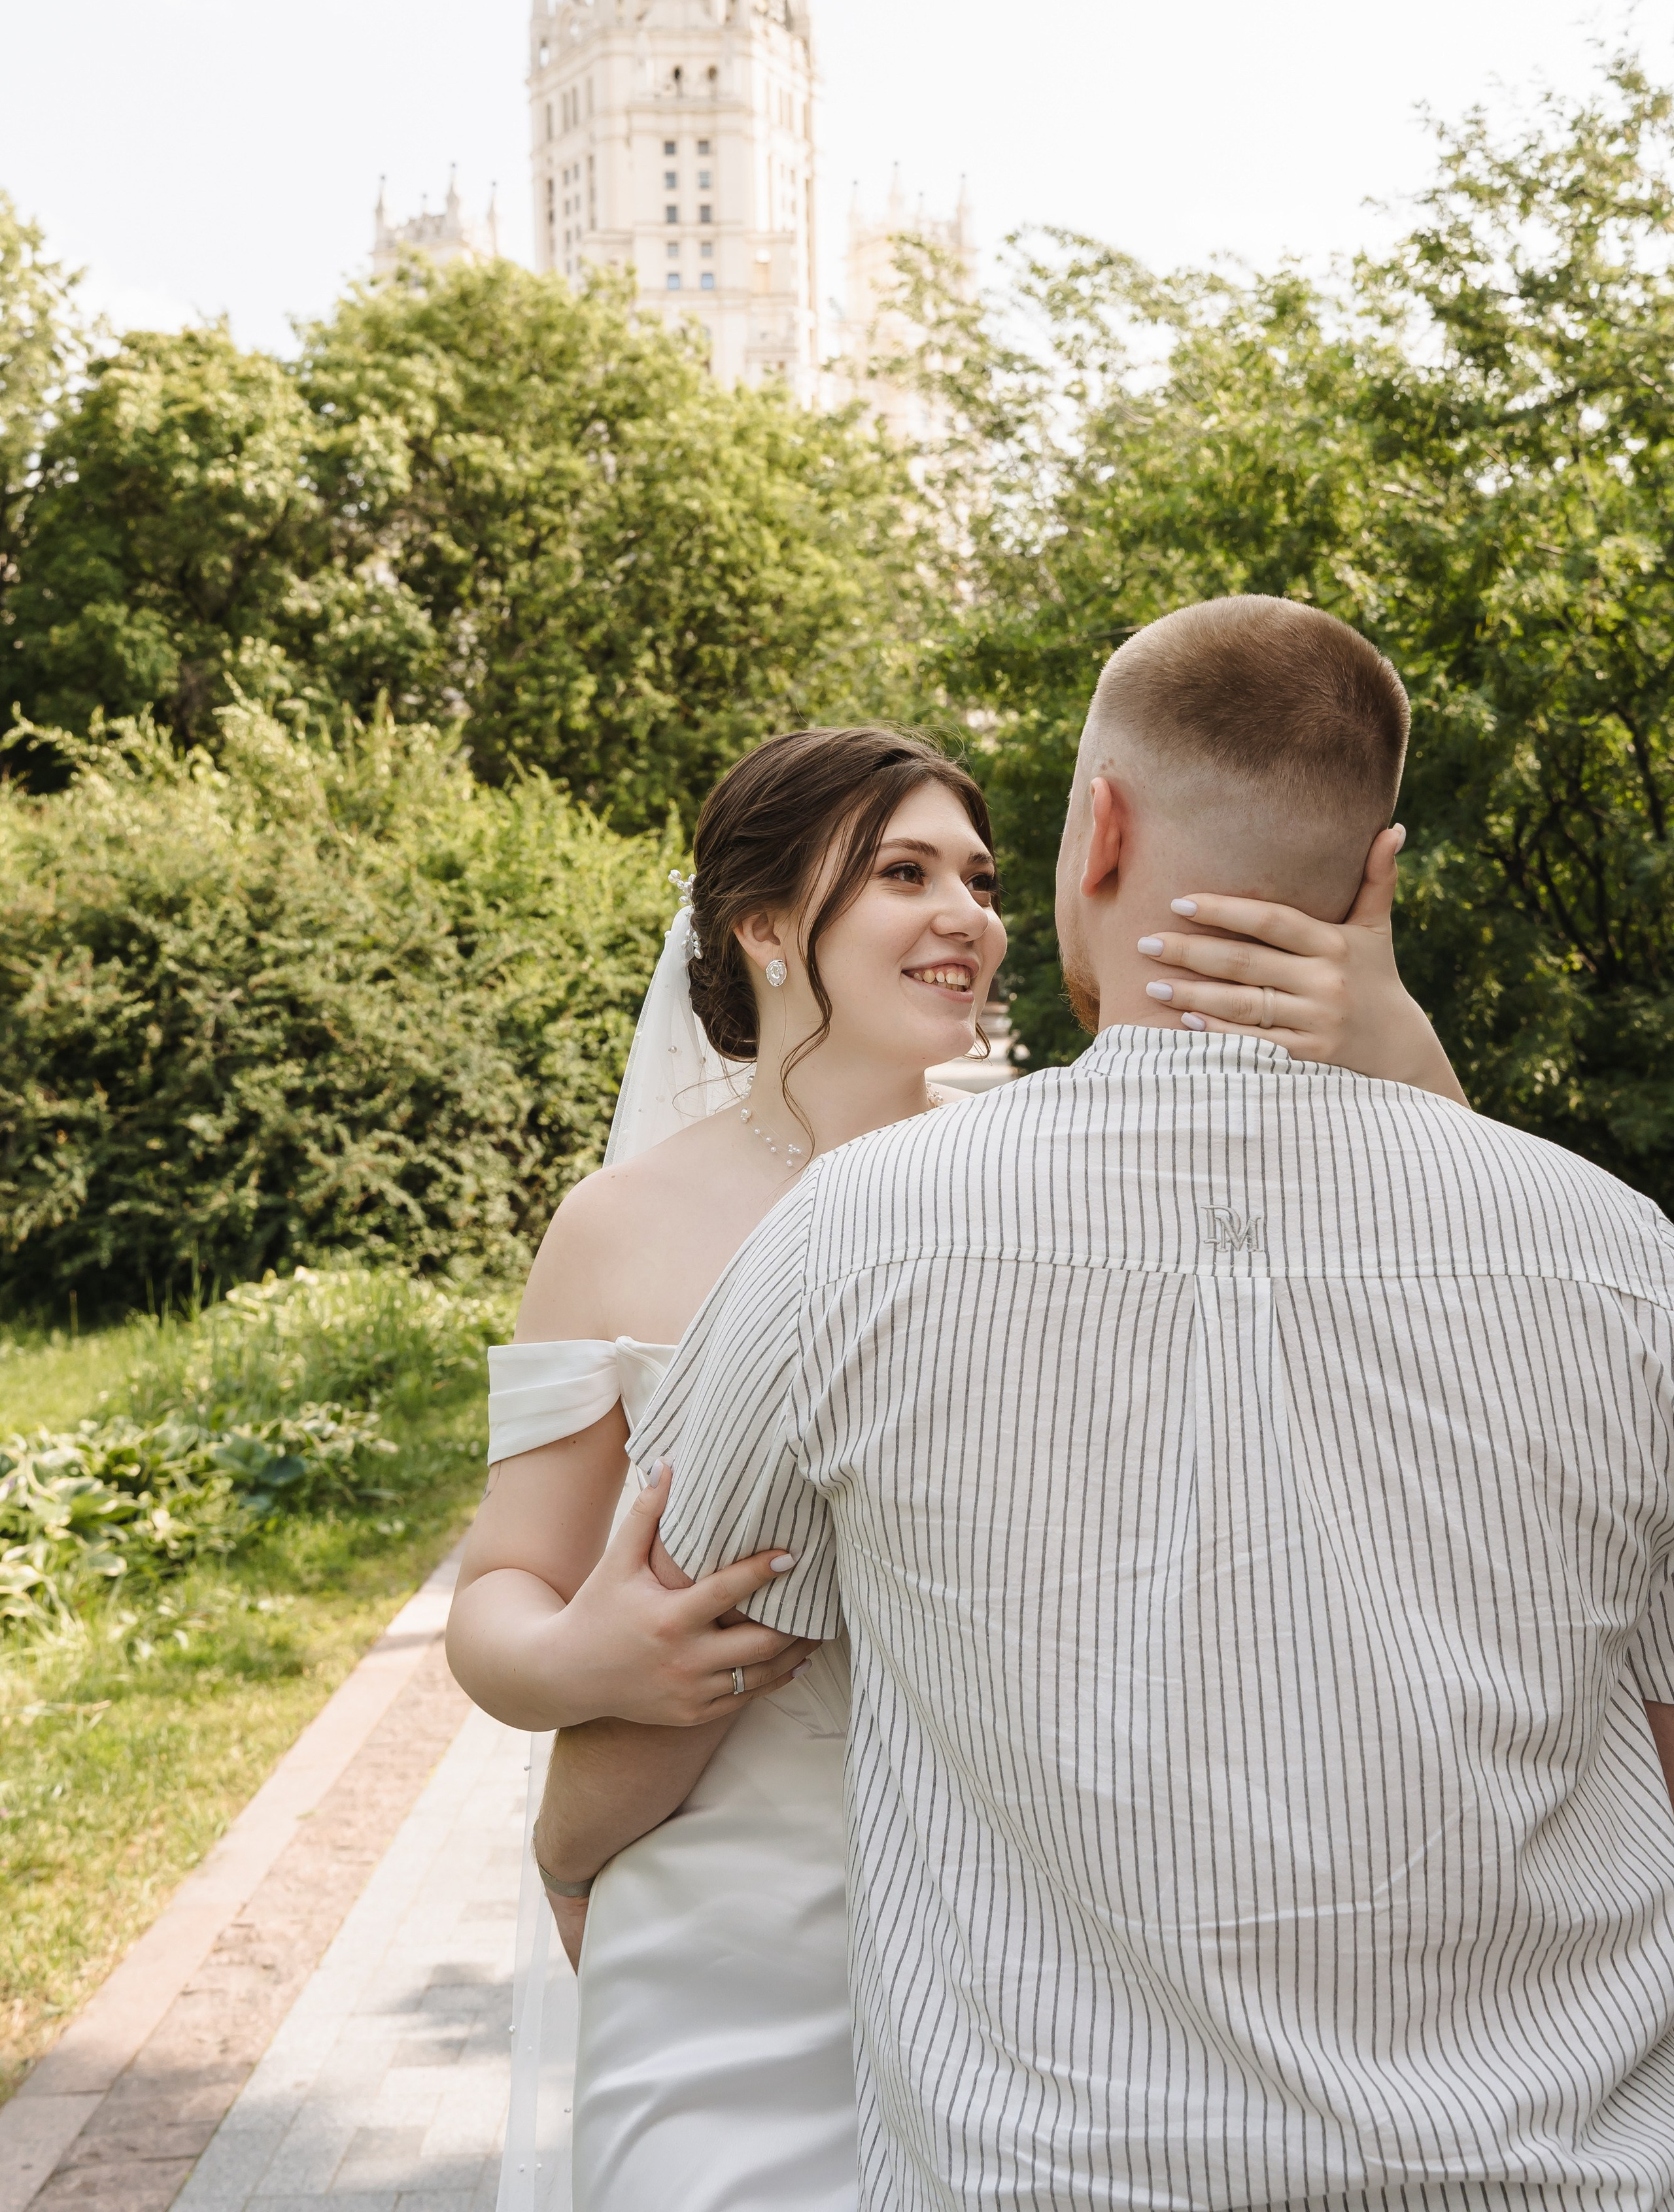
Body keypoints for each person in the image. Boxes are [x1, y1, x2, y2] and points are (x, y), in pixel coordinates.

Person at [632, 604, 1674, 2212]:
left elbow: (669, 1642)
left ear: (1096, 826)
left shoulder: (851, 1235)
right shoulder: (1621, 1264)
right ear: (1373, 876)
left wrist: (567, 1864)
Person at [446, 717, 1467, 2212]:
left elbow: (1403, 1302)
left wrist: (1408, 1060)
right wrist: (582, 1665)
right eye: (901, 873)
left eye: (982, 879)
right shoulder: (614, 1229)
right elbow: (501, 1589)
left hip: (1036, 1903)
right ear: (759, 927)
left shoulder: (1061, 1169)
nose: (967, 919)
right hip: (719, 1906)